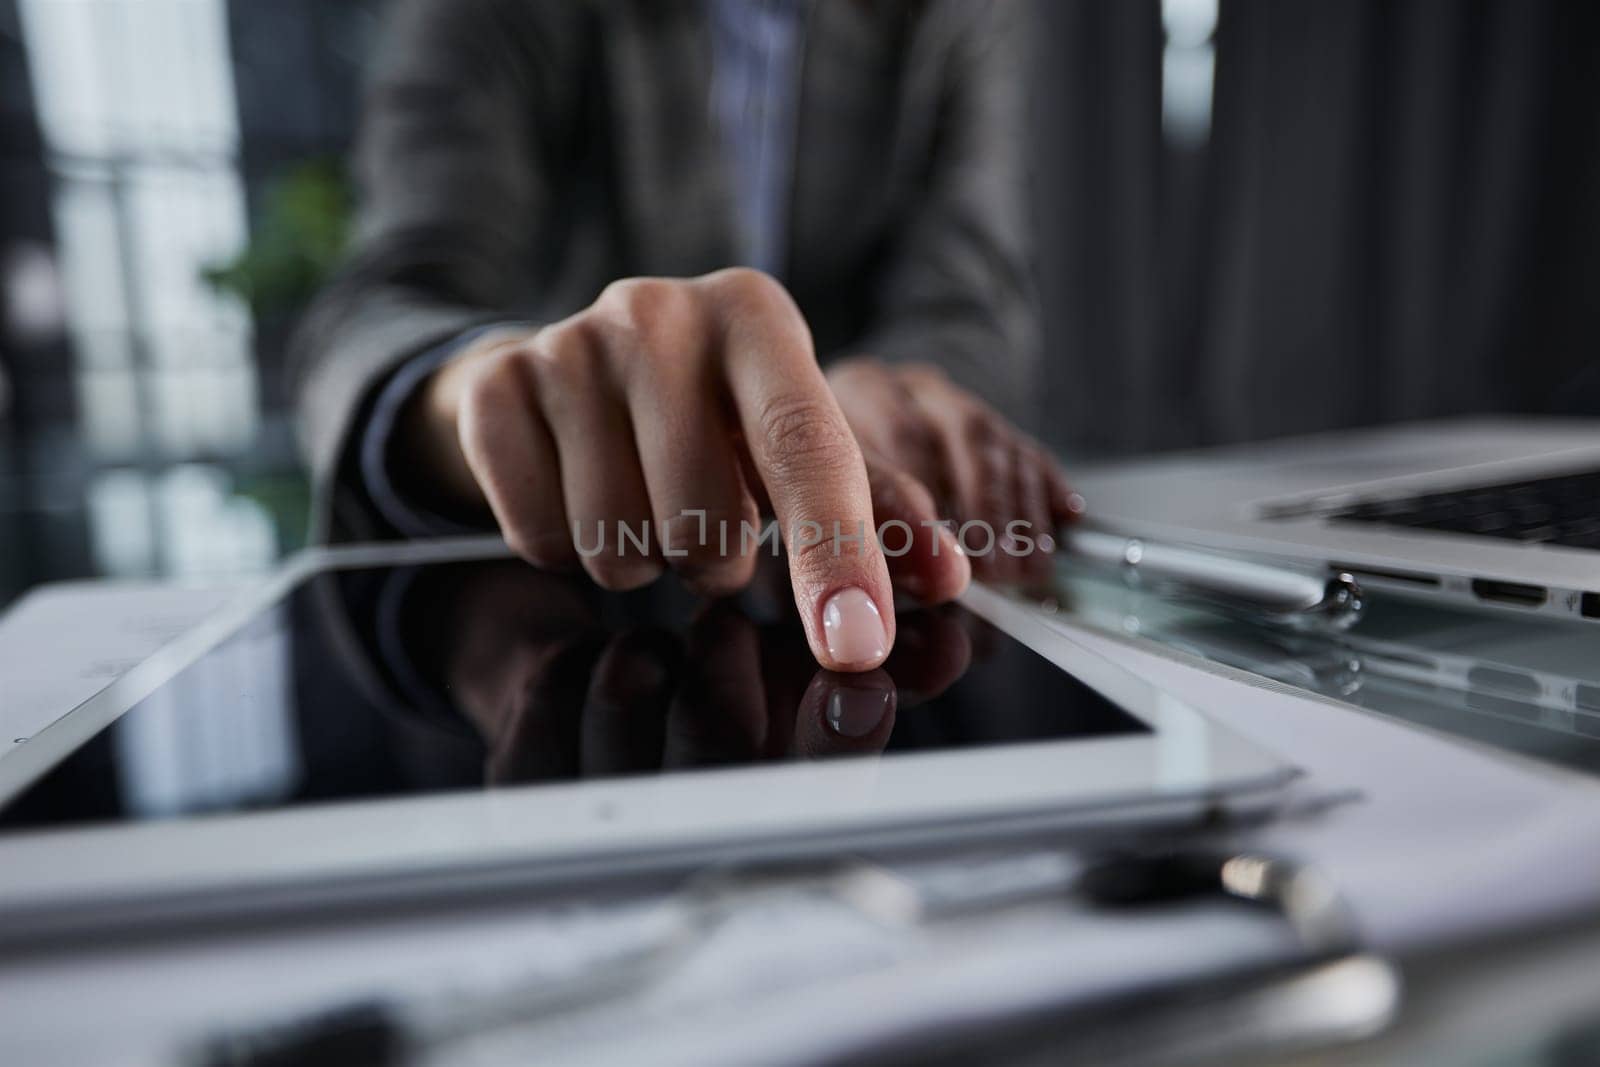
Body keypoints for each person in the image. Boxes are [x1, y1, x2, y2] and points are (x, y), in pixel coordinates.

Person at [293, 0, 1081, 676]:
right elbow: (375, 310)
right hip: (566, 614)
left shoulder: (961, 14)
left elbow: (967, 294)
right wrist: (490, 389)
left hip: (881, 642)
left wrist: (884, 392)